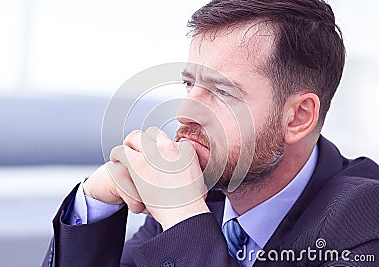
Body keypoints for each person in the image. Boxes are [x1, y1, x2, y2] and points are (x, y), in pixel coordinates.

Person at [43, 0, 379, 266]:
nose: (184, 112)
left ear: (297, 118)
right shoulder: (205, 190)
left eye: (222, 92)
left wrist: (183, 217)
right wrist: (95, 202)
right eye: (190, 84)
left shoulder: (365, 218)